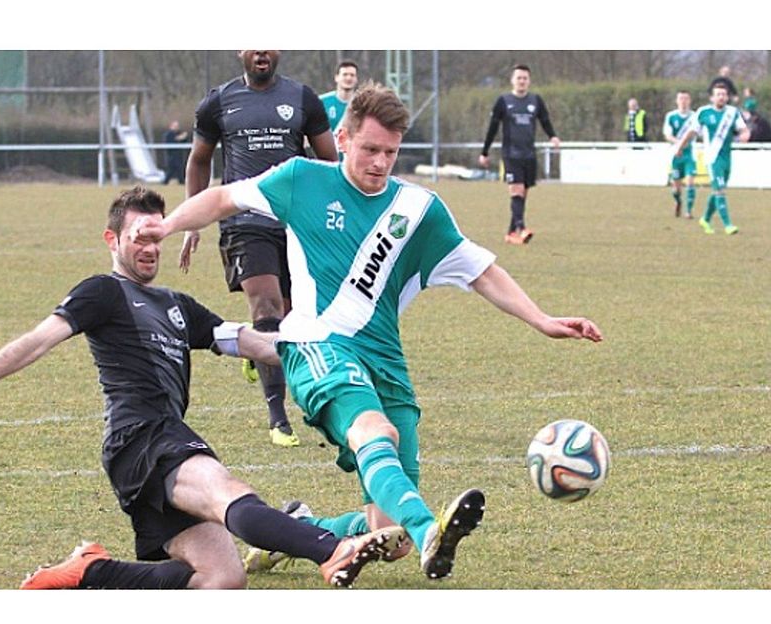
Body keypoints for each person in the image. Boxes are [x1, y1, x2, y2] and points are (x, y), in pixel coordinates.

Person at [134, 83, 604, 581]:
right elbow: (225, 196)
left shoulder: (418, 210)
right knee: (375, 436)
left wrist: (543, 320)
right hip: (316, 345)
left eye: (391, 153)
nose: (380, 163)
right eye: (370, 149)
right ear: (343, 138)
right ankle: (431, 532)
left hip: (385, 360)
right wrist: (169, 226)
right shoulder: (301, 180)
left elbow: (481, 271)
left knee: (389, 533)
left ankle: (298, 527)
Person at [0, 186, 403, 590]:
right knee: (227, 492)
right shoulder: (103, 292)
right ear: (112, 240)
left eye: (156, 235)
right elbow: (37, 340)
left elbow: (248, 341)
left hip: (153, 447)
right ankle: (332, 548)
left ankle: (94, 571)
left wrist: (319, 348)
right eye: (139, 237)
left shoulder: (177, 304)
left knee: (222, 577)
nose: (150, 247)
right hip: (143, 437)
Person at [181, 50, 339, 448]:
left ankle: (256, 349)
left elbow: (330, 161)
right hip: (244, 222)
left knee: (290, 318)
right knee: (266, 308)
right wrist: (192, 221)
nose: (262, 51)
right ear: (241, 50)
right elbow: (199, 161)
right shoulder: (217, 102)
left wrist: (331, 214)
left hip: (294, 224)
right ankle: (278, 417)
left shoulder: (303, 99)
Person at [479, 64, 560, 246]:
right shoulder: (503, 101)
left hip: (529, 155)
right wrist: (484, 152)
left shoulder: (536, 101)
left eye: (525, 78)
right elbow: (493, 128)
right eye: (519, 78)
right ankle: (521, 228)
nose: (522, 81)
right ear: (512, 80)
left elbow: (545, 120)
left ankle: (510, 233)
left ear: (529, 81)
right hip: (511, 154)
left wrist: (553, 136)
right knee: (516, 191)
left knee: (522, 194)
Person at [675, 83, 750, 235]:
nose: (721, 97)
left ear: (727, 97)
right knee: (720, 190)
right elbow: (691, 132)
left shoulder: (732, 112)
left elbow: (743, 129)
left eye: (724, 94)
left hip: (726, 158)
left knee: (718, 190)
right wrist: (680, 147)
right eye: (718, 94)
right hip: (712, 158)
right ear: (712, 97)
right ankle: (728, 225)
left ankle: (705, 219)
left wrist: (744, 134)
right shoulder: (703, 112)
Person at [662, 90, 697, 219]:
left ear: (689, 101)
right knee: (676, 188)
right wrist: (679, 143)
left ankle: (689, 211)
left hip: (689, 155)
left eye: (686, 99)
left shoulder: (694, 116)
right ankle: (678, 201)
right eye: (681, 99)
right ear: (677, 101)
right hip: (676, 155)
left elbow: (696, 132)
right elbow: (668, 135)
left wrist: (685, 143)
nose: (683, 101)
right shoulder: (671, 116)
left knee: (690, 182)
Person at [319, 59, 359, 155]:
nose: (348, 78)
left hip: (352, 161)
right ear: (336, 78)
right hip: (327, 160)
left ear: (356, 79)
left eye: (352, 75)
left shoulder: (362, 104)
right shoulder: (322, 102)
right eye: (345, 74)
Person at [161, 120, 187, 185]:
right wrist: (180, 137)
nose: (176, 127)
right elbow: (173, 140)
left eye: (177, 126)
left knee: (179, 168)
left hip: (178, 155)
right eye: (175, 126)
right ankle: (166, 181)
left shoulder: (179, 133)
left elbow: (184, 141)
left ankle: (181, 181)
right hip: (171, 155)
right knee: (171, 169)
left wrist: (183, 138)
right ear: (171, 126)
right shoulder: (169, 134)